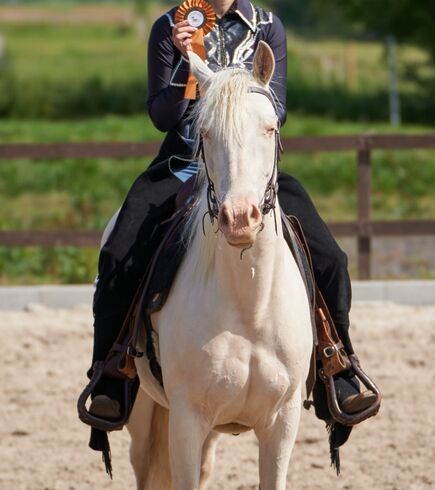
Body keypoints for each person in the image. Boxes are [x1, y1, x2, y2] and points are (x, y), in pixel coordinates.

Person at [85, 0, 375, 441]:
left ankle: (339, 364)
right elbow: (162, 117)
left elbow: (276, 111)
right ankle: (112, 370)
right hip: (183, 164)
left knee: (331, 258)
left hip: (253, 172)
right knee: (119, 252)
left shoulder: (267, 27)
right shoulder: (169, 27)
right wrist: (186, 68)